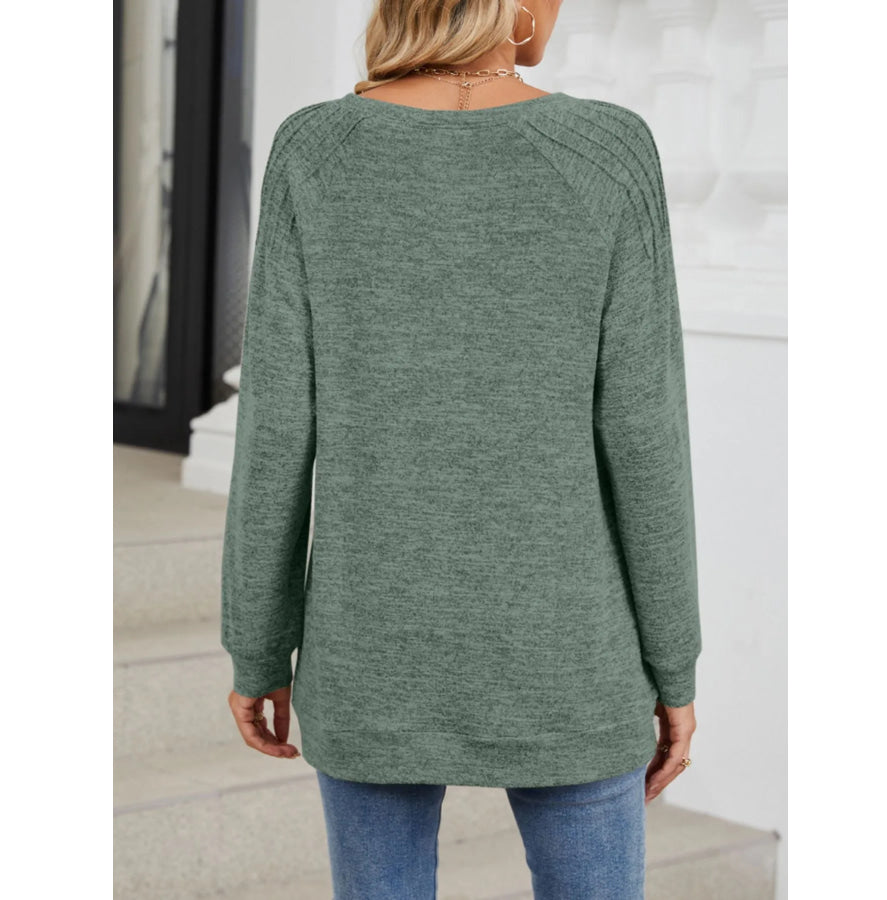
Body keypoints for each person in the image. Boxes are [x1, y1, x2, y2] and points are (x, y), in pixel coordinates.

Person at [220, 1, 702, 897]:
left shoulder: (315, 151)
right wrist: (674, 663)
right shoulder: (608, 149)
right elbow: (645, 437)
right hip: (569, 655)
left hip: (369, 648)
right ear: (513, 6)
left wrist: (257, 645)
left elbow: (276, 428)